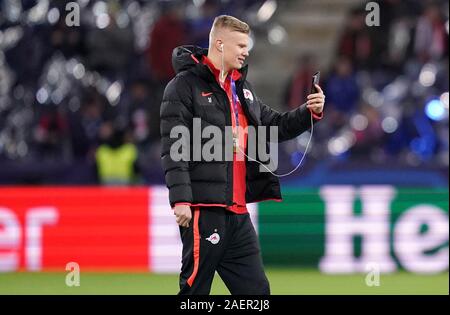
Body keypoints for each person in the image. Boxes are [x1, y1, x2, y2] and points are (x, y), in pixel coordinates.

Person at [160, 15, 325, 295]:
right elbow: (174, 148)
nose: (246, 52)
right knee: (195, 291)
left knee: (257, 294)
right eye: (240, 45)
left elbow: (274, 125)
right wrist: (181, 199)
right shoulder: (183, 86)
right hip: (205, 209)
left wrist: (309, 112)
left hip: (237, 212)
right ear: (220, 44)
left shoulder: (241, 89)